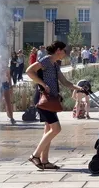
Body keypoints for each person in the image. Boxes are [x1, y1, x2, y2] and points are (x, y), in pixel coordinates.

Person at [26, 41, 85, 170]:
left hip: (50, 100)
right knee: (56, 128)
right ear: (58, 50)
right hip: (43, 99)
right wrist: (42, 84)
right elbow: (29, 71)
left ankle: (45, 161)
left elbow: (65, 82)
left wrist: (79, 88)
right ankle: (35, 155)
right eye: (65, 51)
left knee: (48, 129)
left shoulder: (55, 64)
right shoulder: (46, 60)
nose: (66, 53)